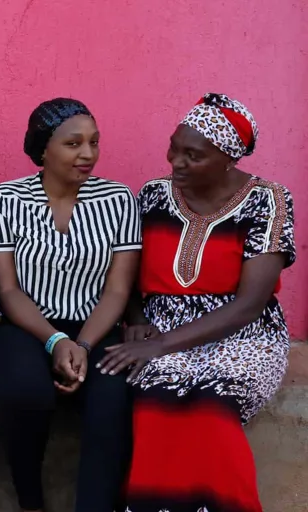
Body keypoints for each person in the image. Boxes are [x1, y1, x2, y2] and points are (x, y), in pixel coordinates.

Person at [103, 93, 296, 512]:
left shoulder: (269, 201)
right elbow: (127, 276)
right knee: (157, 400)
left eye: (194, 155)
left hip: (245, 336)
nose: (176, 161)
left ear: (228, 158)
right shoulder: (153, 196)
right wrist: (137, 320)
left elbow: (249, 305)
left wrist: (158, 347)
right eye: (175, 146)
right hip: (162, 327)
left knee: (211, 405)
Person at [0, 98, 141, 512]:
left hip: (96, 326)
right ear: (43, 149)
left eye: (94, 142)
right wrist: (55, 341)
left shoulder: (118, 199)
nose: (87, 154)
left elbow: (118, 291)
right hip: (23, 326)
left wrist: (84, 346)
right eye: (73, 144)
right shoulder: (6, 199)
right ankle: (31, 503)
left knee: (113, 401)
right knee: (26, 392)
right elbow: (9, 289)